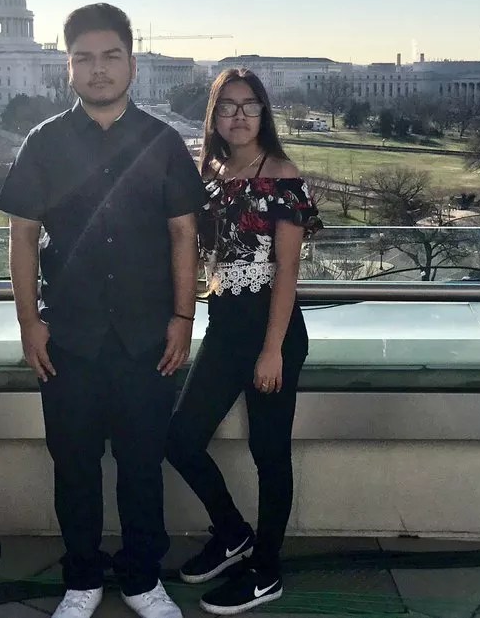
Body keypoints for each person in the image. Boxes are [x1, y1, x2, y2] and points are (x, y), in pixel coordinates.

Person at [0, 3, 205, 618]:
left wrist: (183, 318)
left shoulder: (162, 141)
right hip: (69, 338)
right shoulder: (45, 142)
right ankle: (82, 579)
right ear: (68, 67)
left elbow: (184, 234)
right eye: (84, 57)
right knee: (75, 468)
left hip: (147, 337)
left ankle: (142, 579)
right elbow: (22, 236)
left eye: (111, 56)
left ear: (132, 64)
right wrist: (29, 322)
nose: (99, 69)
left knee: (142, 466)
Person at [165, 68, 322, 615]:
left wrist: (272, 349)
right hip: (226, 323)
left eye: (249, 105)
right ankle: (233, 534)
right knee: (180, 438)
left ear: (264, 113)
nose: (238, 116)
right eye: (227, 106)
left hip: (271, 328)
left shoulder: (282, 175)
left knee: (269, 452)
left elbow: (287, 271)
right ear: (213, 116)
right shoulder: (207, 172)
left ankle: (266, 571)